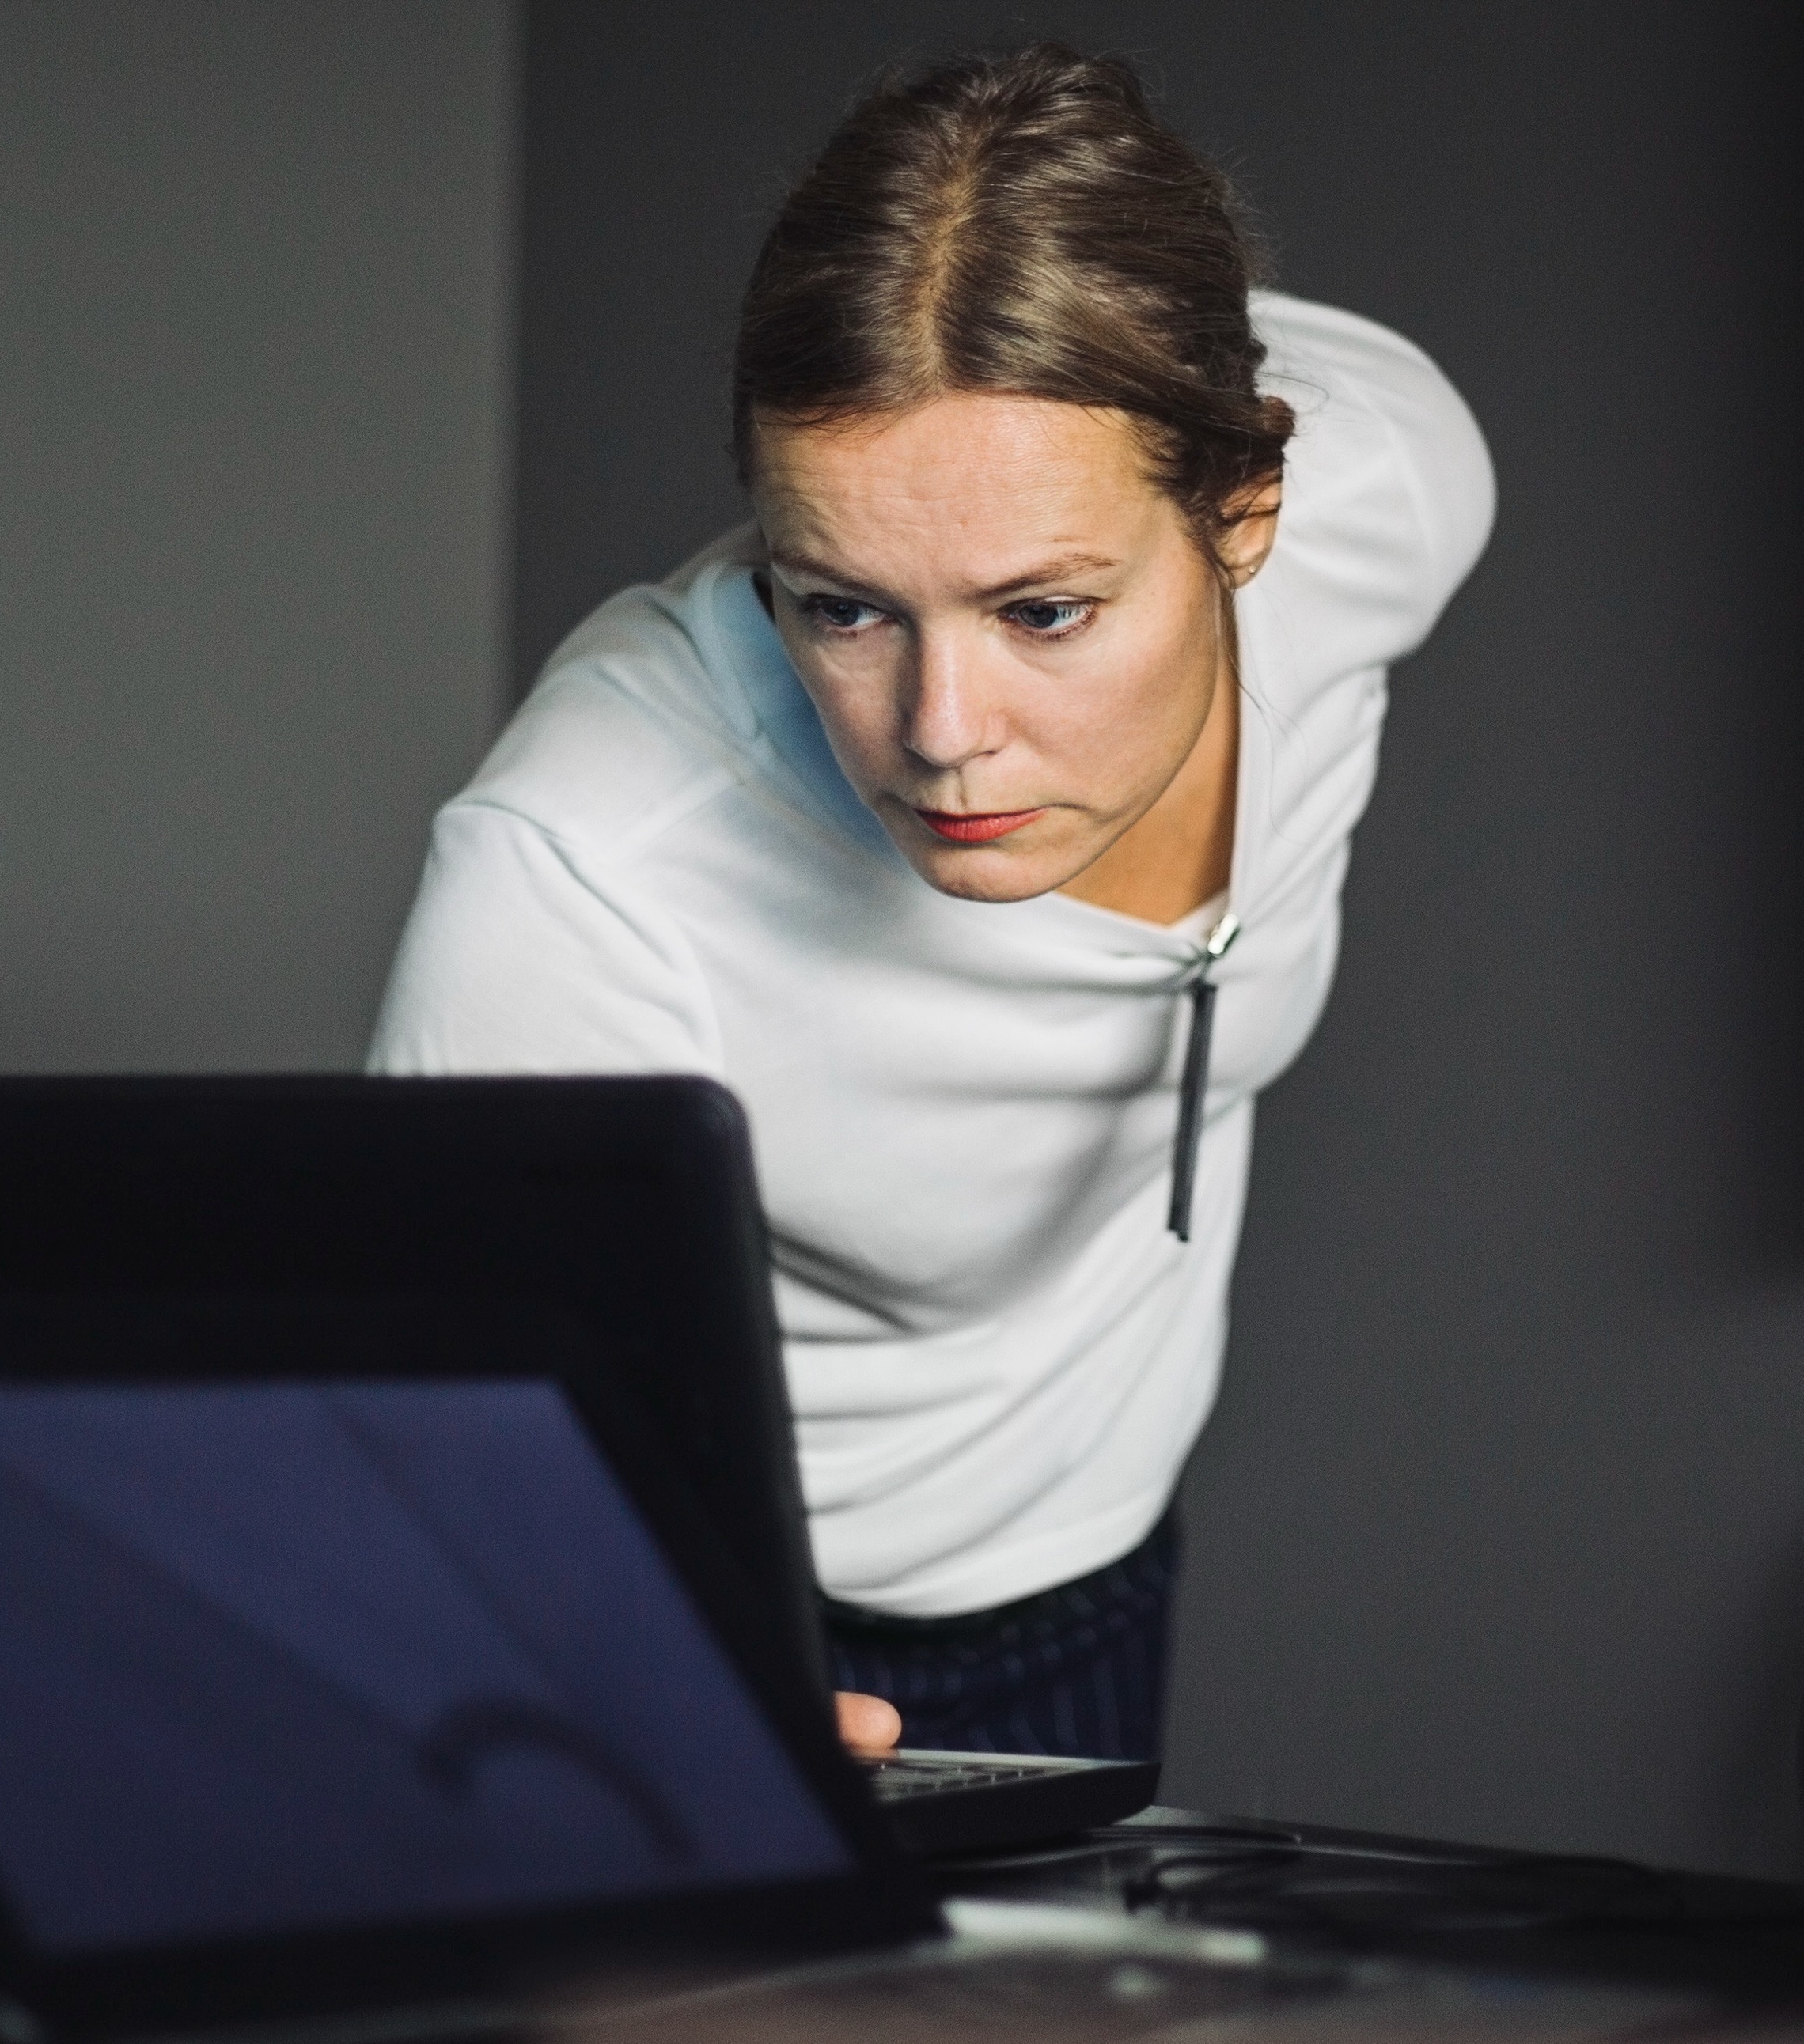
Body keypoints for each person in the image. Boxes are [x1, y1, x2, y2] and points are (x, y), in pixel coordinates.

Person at [370, 44, 1491, 1764]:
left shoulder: (1385, 487)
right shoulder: (584, 862)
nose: (942, 735)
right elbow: (428, 1469)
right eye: (842, 607)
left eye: (1042, 610)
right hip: (737, 1620)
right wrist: (630, 1689)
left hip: (1105, 1559)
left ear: (1247, 504)